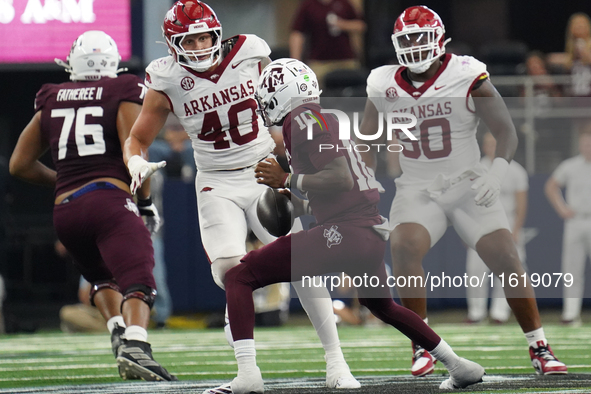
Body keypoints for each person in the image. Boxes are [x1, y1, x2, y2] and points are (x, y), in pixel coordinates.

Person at [202, 58, 485, 393]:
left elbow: (338, 176)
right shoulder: (323, 117)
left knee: (240, 275)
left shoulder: (301, 118)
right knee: (383, 306)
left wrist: (287, 178)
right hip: (366, 233)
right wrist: (300, 207)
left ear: (280, 94)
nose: (265, 106)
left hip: (344, 234)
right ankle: (459, 365)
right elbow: (343, 184)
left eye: (267, 97)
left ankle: (248, 375)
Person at [123, 0, 359, 389]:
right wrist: (135, 162)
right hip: (216, 180)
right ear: (171, 45)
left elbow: (290, 107)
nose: (199, 46)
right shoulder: (164, 77)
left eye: (204, 37)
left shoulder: (250, 52)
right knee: (227, 272)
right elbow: (137, 138)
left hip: (264, 171)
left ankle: (336, 362)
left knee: (303, 264)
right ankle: (246, 354)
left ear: (216, 33)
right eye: (189, 40)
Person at [358, 6, 567, 377]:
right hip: (418, 186)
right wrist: (366, 184)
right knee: (404, 245)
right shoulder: (382, 82)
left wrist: (497, 172)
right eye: (407, 39)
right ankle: (421, 344)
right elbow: (367, 141)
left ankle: (539, 346)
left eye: (421, 37)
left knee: (506, 256)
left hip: (467, 182)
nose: (414, 45)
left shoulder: (466, 72)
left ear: (439, 39)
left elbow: (506, 131)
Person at [8, 30, 176, 381]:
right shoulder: (121, 88)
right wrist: (144, 203)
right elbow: (137, 153)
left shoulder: (52, 96)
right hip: (109, 200)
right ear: (112, 61)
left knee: (101, 276)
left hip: (66, 209)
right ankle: (137, 344)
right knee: (139, 279)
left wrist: (69, 183)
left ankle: (117, 329)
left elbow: (19, 164)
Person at [465, 132, 529, 324]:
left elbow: (521, 204)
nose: (490, 147)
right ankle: (476, 313)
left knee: (507, 269)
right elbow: (467, 201)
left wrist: (516, 229)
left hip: (506, 222)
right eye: (487, 143)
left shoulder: (516, 170)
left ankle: (499, 313)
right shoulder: (475, 168)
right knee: (475, 271)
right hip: (479, 222)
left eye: (494, 143)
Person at [545, 129, 591, 326]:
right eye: (585, 144)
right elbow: (551, 186)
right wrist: (562, 209)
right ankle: (571, 314)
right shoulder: (570, 166)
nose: (587, 148)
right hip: (575, 221)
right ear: (580, 145)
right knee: (572, 270)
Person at [289, 0, 366, 88]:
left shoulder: (344, 3)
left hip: (346, 60)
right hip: (318, 62)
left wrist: (342, 24)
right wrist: (295, 62)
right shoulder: (308, 5)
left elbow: (360, 25)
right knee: (313, 89)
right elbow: (297, 33)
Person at [565, 13, 591, 97]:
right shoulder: (571, 49)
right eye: (576, 24)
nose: (579, 26)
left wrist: (584, 52)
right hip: (576, 94)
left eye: (581, 24)